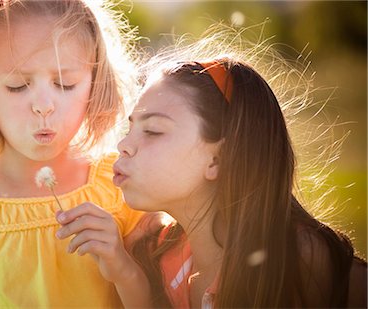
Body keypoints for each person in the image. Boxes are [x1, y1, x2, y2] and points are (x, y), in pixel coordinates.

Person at [57, 25, 367, 308]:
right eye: (130, 129)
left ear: (217, 159)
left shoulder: (299, 258)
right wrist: (126, 273)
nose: (123, 145)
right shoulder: (161, 256)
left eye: (152, 131)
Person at [0, 0, 151, 307]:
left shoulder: (123, 188)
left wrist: (123, 268)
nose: (43, 105)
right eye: (17, 85)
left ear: (94, 86)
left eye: (65, 84)